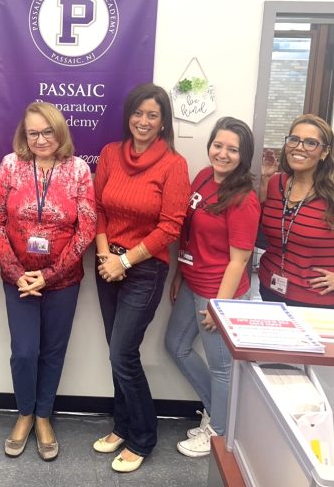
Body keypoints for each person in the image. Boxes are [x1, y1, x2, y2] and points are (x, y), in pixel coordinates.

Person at [0, 102, 96, 461]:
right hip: (17, 279)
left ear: (59, 131)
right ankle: (24, 414)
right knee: (24, 352)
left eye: (47, 131)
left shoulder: (78, 169)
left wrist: (48, 276)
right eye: (33, 132)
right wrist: (20, 275)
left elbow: (87, 229)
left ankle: (44, 416)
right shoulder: (10, 165)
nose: (40, 139)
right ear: (24, 134)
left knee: (52, 351)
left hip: (63, 281)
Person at [92, 83, 190, 473]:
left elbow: (170, 227)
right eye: (138, 113)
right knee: (115, 351)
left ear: (163, 122)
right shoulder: (111, 154)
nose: (143, 121)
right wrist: (104, 254)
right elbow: (97, 207)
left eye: (152, 115)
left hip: (145, 269)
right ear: (128, 115)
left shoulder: (174, 165)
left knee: (122, 353)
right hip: (106, 264)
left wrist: (125, 262)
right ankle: (122, 424)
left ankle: (143, 437)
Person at [165, 117, 261, 457]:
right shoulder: (204, 177)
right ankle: (216, 413)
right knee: (175, 345)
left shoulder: (244, 199)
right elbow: (189, 233)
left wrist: (218, 308)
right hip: (193, 281)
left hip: (219, 292)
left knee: (222, 367)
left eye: (232, 149)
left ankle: (219, 433)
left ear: (243, 155)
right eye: (218, 145)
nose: (222, 154)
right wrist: (179, 272)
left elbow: (239, 261)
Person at [259, 113, 334, 307]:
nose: (299, 147)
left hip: (316, 301)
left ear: (324, 152)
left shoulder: (331, 193)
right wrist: (263, 184)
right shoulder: (275, 183)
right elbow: (262, 230)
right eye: (294, 140)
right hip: (270, 290)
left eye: (310, 143)